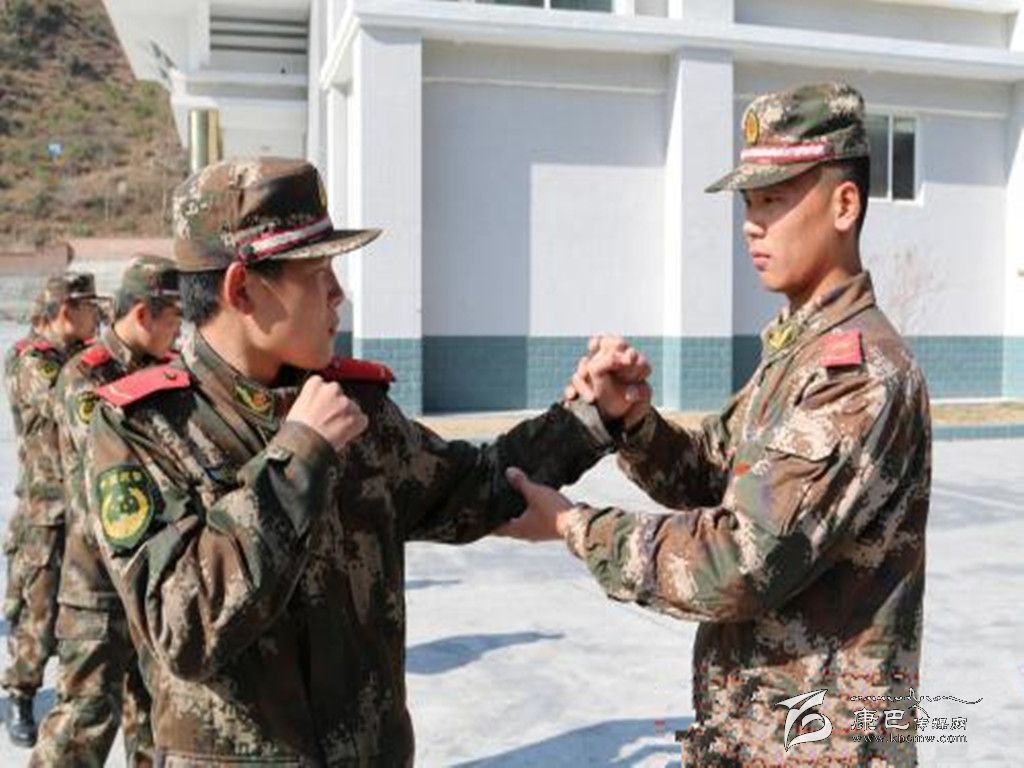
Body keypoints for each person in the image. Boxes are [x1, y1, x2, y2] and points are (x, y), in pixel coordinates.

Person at [84, 157, 609, 765]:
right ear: (241, 289)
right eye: (318, 273)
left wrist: (593, 417)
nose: (339, 294)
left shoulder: (354, 405)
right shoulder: (143, 428)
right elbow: (184, 630)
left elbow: (474, 487)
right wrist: (298, 458)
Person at [500, 82, 932, 766]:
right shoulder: (797, 353)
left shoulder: (858, 375)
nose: (752, 225)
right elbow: (714, 473)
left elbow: (739, 562)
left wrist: (574, 526)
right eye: (748, 204)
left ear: (844, 205)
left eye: (775, 199)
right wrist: (633, 421)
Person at [31, 255, 181, 766]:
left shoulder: (167, 369)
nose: (179, 330)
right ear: (143, 314)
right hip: (96, 582)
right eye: (174, 317)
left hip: (152, 578)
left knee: (156, 725)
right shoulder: (84, 375)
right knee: (85, 719)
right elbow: (115, 464)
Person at [3, 273, 103, 747]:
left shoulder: (71, 357)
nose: (97, 317)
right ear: (67, 311)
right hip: (46, 511)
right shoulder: (34, 361)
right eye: (90, 308)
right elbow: (69, 402)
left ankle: (69, 695)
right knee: (38, 613)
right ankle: (20, 695)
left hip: (80, 507)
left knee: (81, 613)